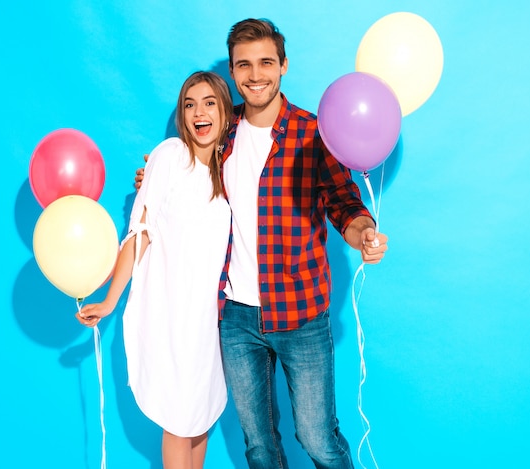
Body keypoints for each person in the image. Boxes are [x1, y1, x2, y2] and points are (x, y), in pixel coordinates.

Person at [136, 19, 388, 469]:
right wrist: (153, 176)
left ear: (284, 66)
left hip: (300, 313)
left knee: (317, 438)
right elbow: (185, 174)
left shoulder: (314, 133)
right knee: (259, 446)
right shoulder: (222, 130)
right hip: (235, 318)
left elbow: (343, 202)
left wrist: (362, 231)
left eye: (266, 63)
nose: (256, 75)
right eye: (244, 65)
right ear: (233, 72)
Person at [77, 71, 234, 469]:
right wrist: (110, 300)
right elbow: (139, 233)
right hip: (172, 316)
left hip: (214, 323)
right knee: (179, 424)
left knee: (199, 421)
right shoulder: (169, 157)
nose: (199, 113)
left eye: (210, 102)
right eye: (189, 104)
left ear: (226, 112)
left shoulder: (233, 170)